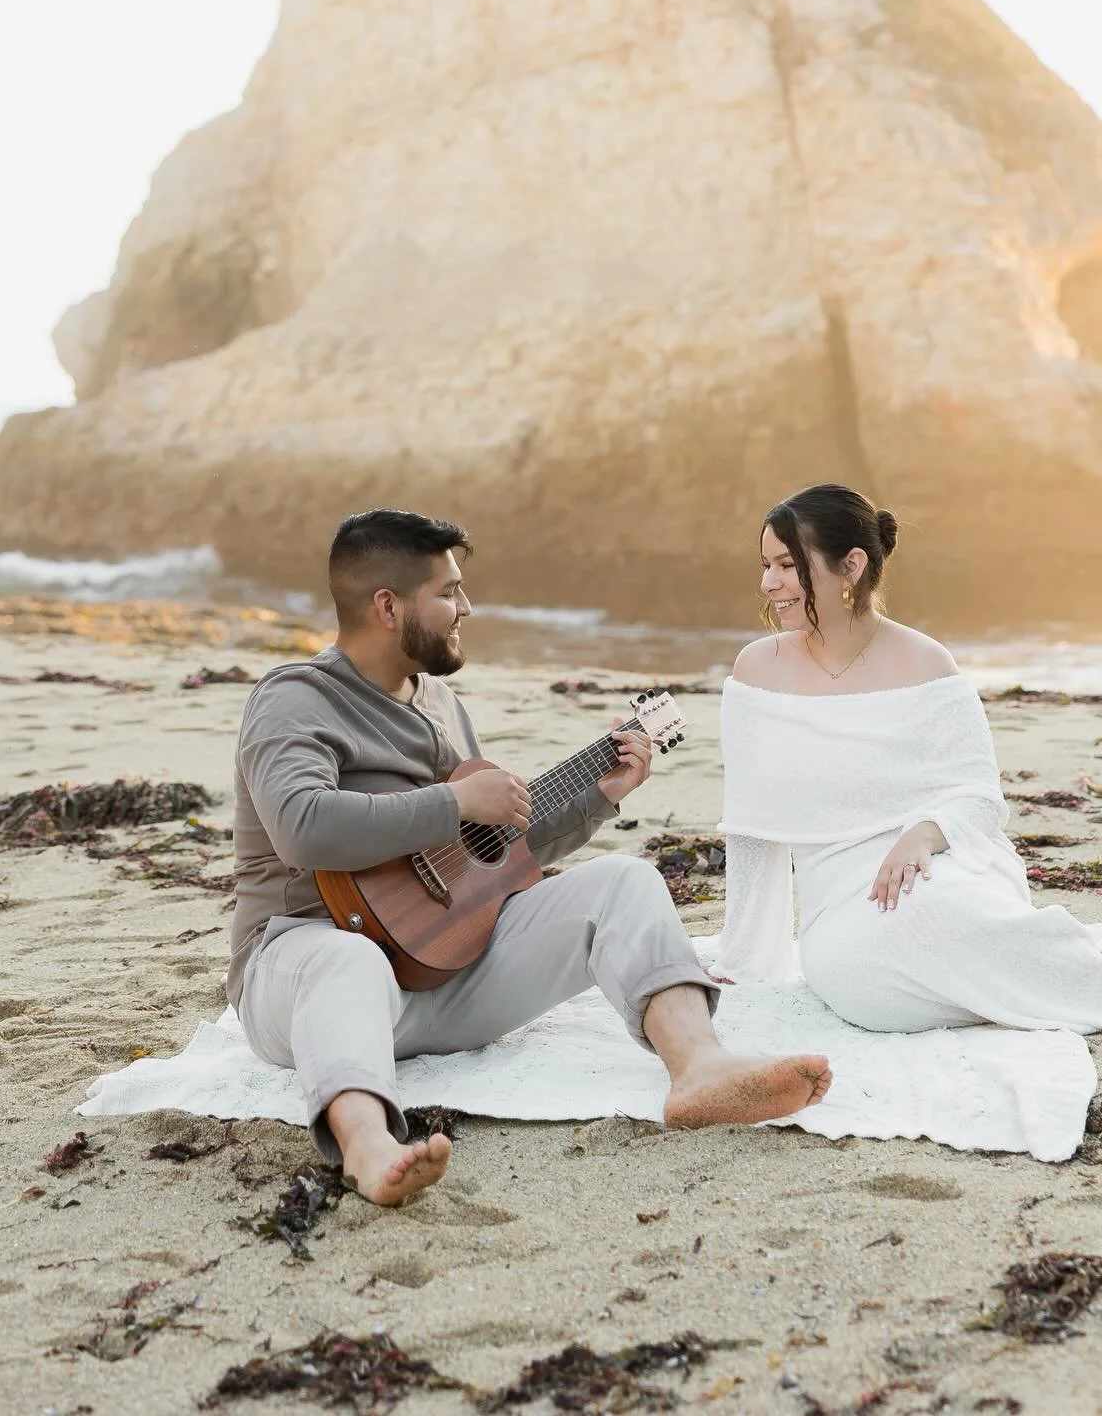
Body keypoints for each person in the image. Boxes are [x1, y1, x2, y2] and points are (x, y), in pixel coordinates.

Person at [229, 508, 831, 1206]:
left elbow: (479, 863)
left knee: (624, 883)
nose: (467, 607)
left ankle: (699, 1067)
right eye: (448, 592)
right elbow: (302, 827)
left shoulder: (441, 703)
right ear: (387, 607)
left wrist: (596, 799)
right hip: (304, 973)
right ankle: (367, 1144)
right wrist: (456, 803)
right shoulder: (293, 699)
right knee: (350, 959)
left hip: (434, 976)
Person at [709, 483, 1102, 1042]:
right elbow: (752, 829)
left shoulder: (925, 662)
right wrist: (745, 955)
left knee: (936, 916)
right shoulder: (757, 671)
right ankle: (1003, 988)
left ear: (851, 565)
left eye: (786, 565)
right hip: (838, 898)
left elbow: (980, 797)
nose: (768, 584)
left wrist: (925, 833)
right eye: (765, 565)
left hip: (943, 862)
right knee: (862, 984)